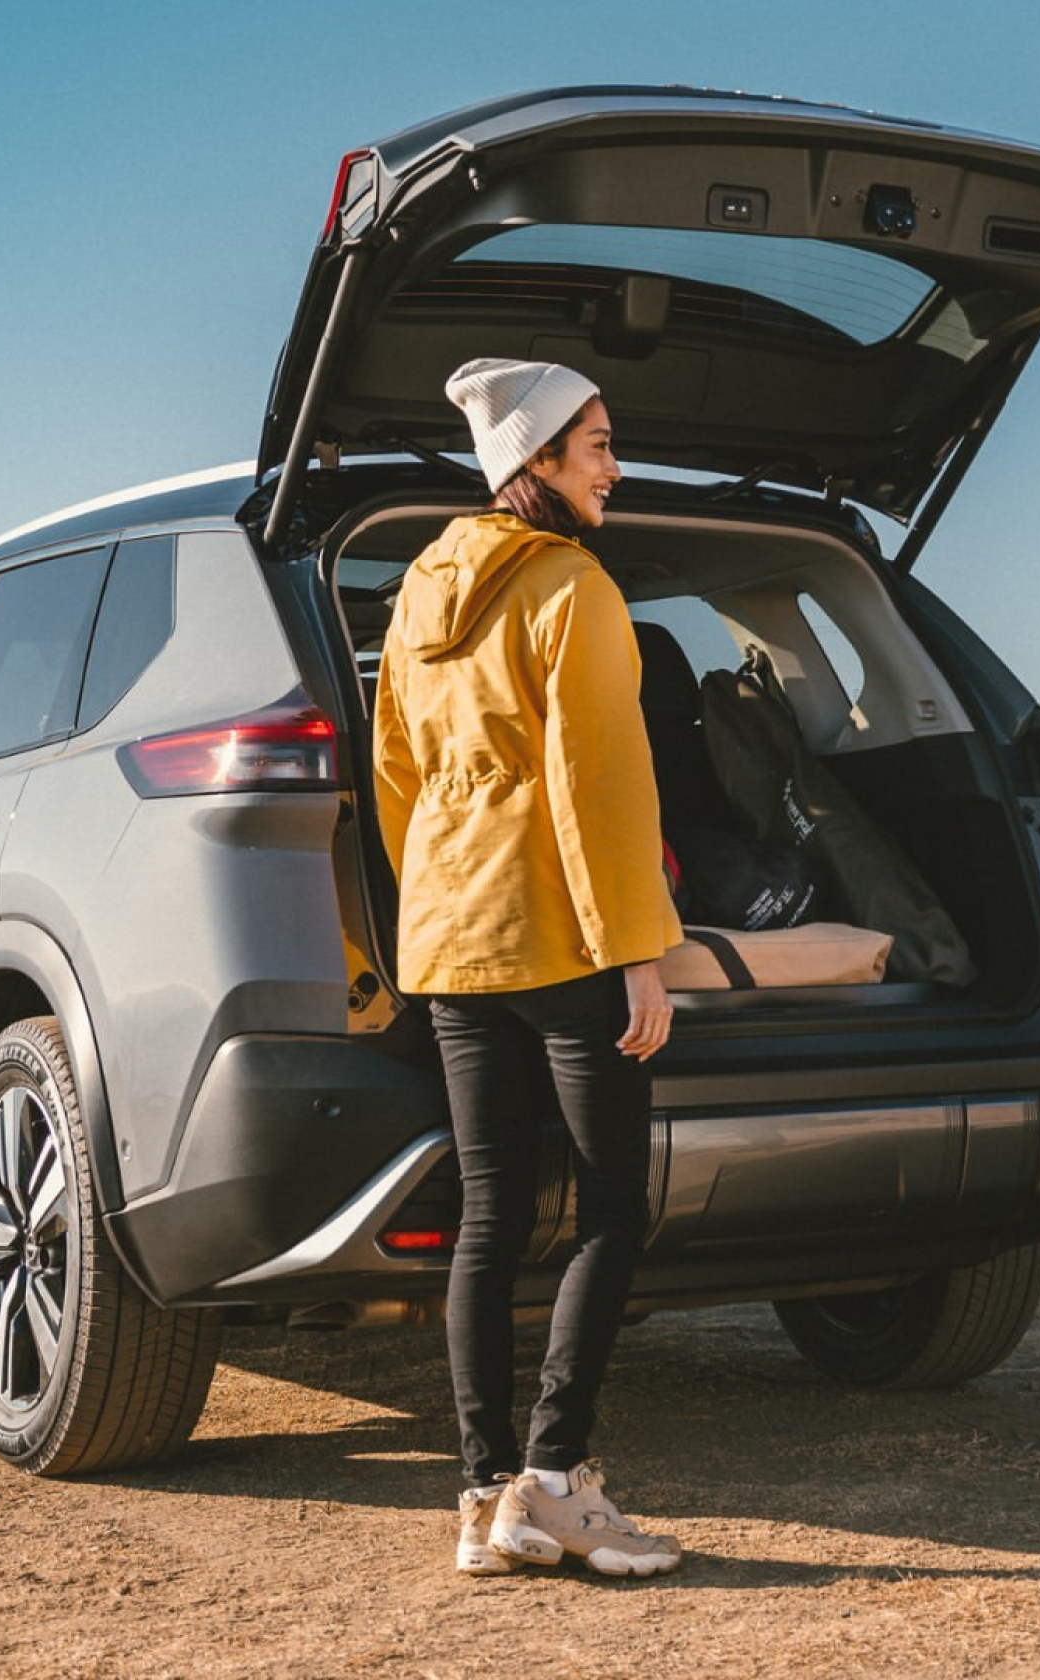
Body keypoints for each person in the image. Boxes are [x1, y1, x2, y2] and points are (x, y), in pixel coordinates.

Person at [373, 358, 685, 1579]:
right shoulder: (573, 590)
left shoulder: (420, 588)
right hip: (563, 939)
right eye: (597, 445)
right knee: (612, 1208)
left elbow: (396, 779)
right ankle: (556, 1482)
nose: (615, 467)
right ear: (537, 463)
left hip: (453, 941)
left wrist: (437, 905)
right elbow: (599, 786)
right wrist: (640, 955)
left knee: (491, 1219)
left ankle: (480, 1498)